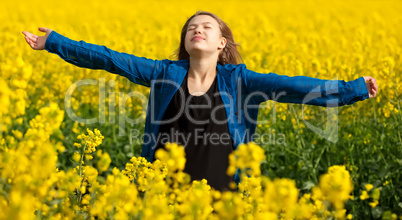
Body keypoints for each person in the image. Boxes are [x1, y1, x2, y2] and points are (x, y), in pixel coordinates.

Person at [22, 11, 378, 191]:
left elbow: (300, 87)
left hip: (222, 196)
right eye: (192, 26)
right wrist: (55, 42)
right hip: (161, 193)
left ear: (222, 43)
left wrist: (354, 89)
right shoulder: (164, 73)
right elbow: (108, 58)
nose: (198, 29)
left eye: (207, 26)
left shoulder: (241, 81)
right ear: (185, 40)